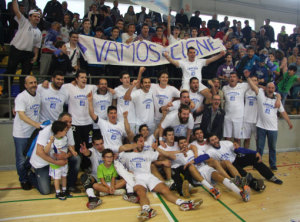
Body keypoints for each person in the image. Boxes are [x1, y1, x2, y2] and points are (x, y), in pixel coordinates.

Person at [119, 134, 203, 221]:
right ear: (135, 143)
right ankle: (147, 210)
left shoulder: (148, 153)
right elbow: (120, 151)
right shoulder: (127, 155)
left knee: (165, 189)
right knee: (140, 192)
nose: (142, 144)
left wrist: (179, 152)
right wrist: (126, 172)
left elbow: (166, 154)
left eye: (143, 141)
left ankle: (183, 203)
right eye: (140, 141)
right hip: (136, 178)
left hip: (149, 176)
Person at [246, 72, 293, 170]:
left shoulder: (277, 101)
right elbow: (254, 86)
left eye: (272, 88)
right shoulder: (261, 95)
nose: (270, 89)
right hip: (261, 127)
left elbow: (283, 113)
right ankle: (257, 163)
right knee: (260, 148)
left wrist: (289, 123)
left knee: (272, 148)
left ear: (274, 89)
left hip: (273, 128)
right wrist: (247, 77)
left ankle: (273, 164)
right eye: (269, 88)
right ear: (266, 89)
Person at [207, 134, 283, 190]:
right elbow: (210, 163)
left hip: (237, 159)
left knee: (254, 157)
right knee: (242, 173)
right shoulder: (210, 151)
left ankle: (271, 177)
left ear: (218, 138)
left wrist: (254, 152)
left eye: (216, 139)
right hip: (229, 166)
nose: (215, 141)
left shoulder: (226, 143)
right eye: (212, 140)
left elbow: (239, 150)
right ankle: (256, 185)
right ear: (209, 142)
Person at [29, 112, 80, 195]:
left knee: (76, 158)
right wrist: (56, 162)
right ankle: (30, 175)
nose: (68, 124)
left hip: (58, 159)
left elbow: (72, 149)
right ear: (59, 121)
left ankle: (70, 185)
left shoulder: (69, 130)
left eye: (70, 122)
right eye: (65, 122)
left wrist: (66, 155)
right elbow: (39, 152)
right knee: (45, 191)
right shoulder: (47, 130)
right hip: (43, 162)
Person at [2, 1, 41, 97]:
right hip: (16, 49)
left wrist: (35, 56)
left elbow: (36, 46)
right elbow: (16, 9)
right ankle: (6, 92)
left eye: (38, 17)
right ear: (30, 17)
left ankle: (23, 93)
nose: (37, 18)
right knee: (10, 70)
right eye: (35, 16)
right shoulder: (24, 22)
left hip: (28, 53)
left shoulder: (39, 32)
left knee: (26, 75)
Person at [13, 76, 40, 190]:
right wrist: (36, 125)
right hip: (21, 134)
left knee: (30, 158)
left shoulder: (38, 95)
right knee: (21, 159)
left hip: (33, 134)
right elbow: (22, 115)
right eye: (30, 83)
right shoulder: (21, 97)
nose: (33, 84)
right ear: (25, 85)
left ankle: (28, 176)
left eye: (35, 82)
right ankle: (23, 180)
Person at [46, 121, 77, 200]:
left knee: (64, 176)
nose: (66, 132)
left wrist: (73, 152)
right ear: (59, 131)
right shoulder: (52, 140)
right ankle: (58, 192)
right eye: (65, 130)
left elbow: (68, 145)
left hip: (64, 162)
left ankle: (64, 190)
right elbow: (46, 151)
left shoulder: (65, 138)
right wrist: (50, 142)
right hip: (55, 164)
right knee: (57, 178)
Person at [124, 68, 155, 134]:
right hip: (140, 124)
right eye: (145, 83)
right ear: (141, 84)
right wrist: (132, 86)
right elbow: (126, 98)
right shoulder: (137, 93)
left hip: (151, 124)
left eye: (149, 82)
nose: (147, 84)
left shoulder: (152, 91)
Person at [222, 72, 249, 143]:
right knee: (227, 138)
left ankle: (237, 154)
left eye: (234, 77)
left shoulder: (243, 86)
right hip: (227, 116)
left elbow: (255, 85)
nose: (232, 78)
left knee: (237, 138)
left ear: (237, 79)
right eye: (230, 77)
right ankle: (228, 153)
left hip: (239, 117)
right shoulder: (224, 88)